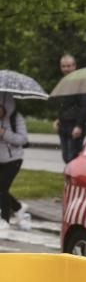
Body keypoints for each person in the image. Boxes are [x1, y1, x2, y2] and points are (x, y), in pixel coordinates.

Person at [54, 54, 86, 163]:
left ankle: (74, 180)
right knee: (66, 157)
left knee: (73, 157)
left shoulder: (81, 83)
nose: (66, 69)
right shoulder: (63, 82)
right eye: (63, 66)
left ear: (74, 66)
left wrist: (79, 126)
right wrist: (58, 119)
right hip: (63, 125)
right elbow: (62, 104)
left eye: (69, 66)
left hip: (75, 125)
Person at [0, 94, 29, 230]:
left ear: (6, 106)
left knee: (2, 188)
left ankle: (5, 220)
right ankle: (18, 207)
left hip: (14, 159)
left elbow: (22, 140)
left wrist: (4, 133)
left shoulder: (16, 118)